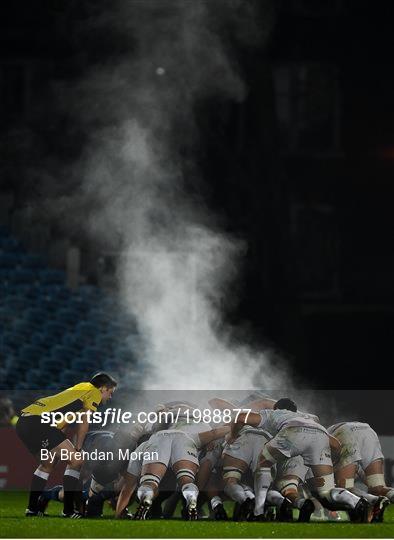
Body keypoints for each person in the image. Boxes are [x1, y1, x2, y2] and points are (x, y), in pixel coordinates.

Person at [230, 397, 370, 523]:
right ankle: (357, 502)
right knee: (326, 492)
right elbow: (336, 445)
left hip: (293, 432)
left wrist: (233, 435)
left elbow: (241, 417)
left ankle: (258, 512)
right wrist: (327, 459)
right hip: (320, 436)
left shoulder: (274, 413)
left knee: (263, 462)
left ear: (276, 408)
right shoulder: (308, 418)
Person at [15, 372, 117, 517]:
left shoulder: (80, 389)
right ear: (103, 389)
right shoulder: (93, 392)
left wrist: (62, 440)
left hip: (25, 421)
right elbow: (84, 422)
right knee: (77, 460)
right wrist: (78, 448)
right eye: (110, 392)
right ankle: (68, 511)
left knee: (47, 464)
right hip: (38, 422)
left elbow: (64, 420)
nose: (110, 396)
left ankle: (32, 509)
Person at [328, 421, 392, 521]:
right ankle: (380, 499)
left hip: (345, 433)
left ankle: (372, 502)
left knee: (345, 489)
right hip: (367, 431)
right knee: (378, 488)